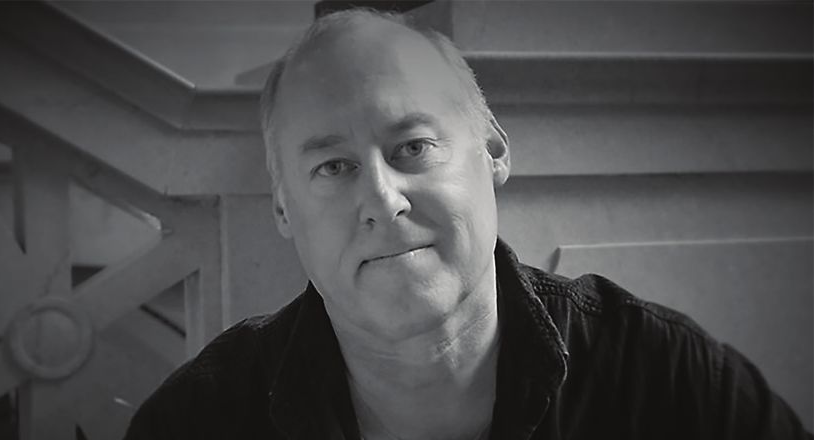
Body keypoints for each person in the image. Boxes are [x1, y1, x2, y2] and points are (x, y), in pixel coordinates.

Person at [124, 9, 811, 440]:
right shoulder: (198, 421)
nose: (382, 199)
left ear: (494, 151)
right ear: (283, 208)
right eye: (333, 166)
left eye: (412, 147)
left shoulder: (664, 380)